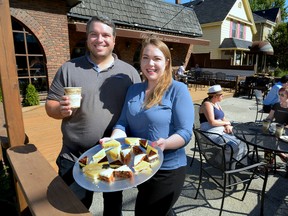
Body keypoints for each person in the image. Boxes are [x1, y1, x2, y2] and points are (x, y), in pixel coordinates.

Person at [45, 15, 141, 211]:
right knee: (73, 208)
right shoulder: (68, 69)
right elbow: (50, 105)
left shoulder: (129, 73)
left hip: (114, 156)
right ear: (87, 38)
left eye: (106, 35)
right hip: (74, 156)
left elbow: (138, 112)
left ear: (114, 40)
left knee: (113, 209)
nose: (100, 39)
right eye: (94, 34)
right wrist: (60, 110)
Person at [100, 38, 194, 215]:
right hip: (141, 166)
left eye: (157, 58)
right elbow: (123, 122)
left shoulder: (178, 90)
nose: (150, 63)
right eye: (145, 57)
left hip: (168, 169)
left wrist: (165, 143)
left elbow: (185, 132)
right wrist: (113, 141)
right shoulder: (134, 90)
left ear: (166, 63)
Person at [199, 85, 248, 165]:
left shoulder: (216, 104)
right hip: (210, 133)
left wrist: (227, 126)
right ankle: (222, 161)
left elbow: (223, 118)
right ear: (215, 96)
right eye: (221, 94)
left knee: (243, 140)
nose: (223, 96)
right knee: (235, 144)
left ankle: (236, 162)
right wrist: (227, 123)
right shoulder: (207, 104)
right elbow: (212, 122)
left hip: (219, 130)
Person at [264, 87, 288, 163]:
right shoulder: (276, 105)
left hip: (286, 132)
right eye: (279, 94)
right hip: (275, 129)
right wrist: (266, 122)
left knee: (273, 141)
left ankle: (281, 155)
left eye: (282, 95)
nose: (279, 97)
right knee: (267, 141)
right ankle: (269, 163)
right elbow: (270, 117)